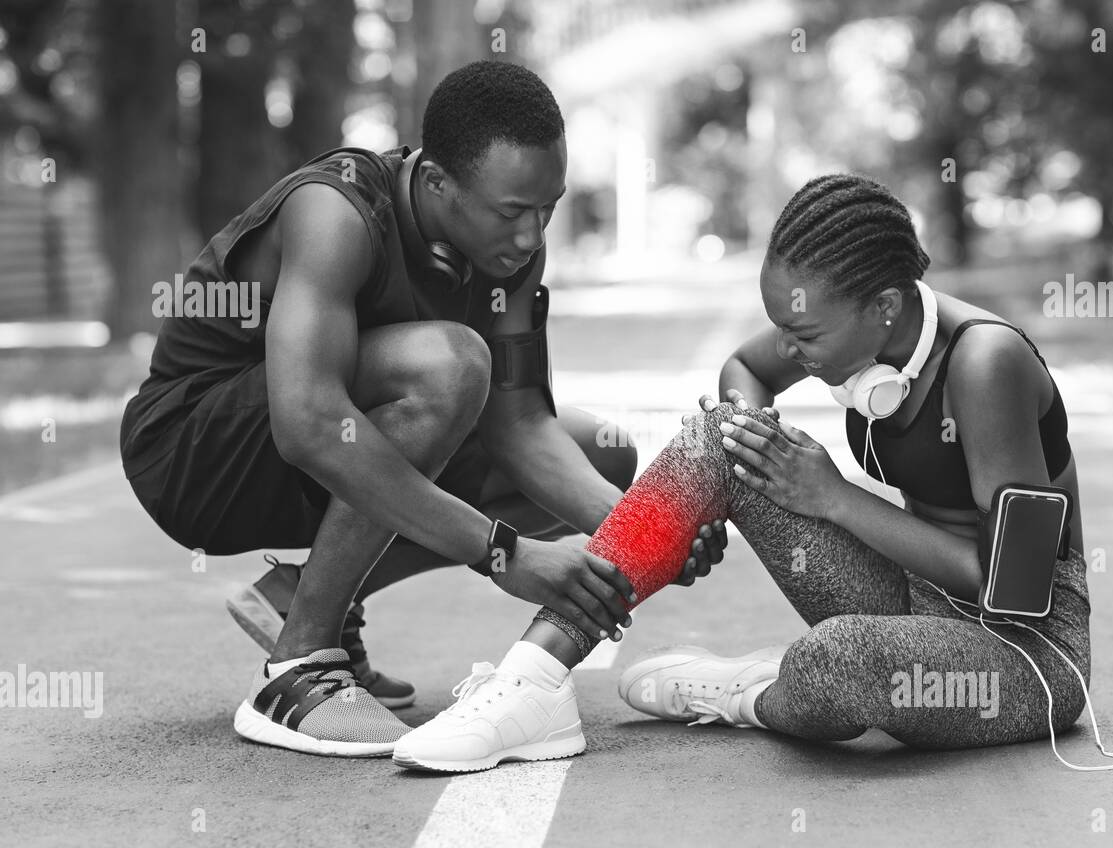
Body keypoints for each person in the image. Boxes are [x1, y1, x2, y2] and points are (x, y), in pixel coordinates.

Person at [118, 60, 725, 758]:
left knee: (603, 456)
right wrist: (505, 554)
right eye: (511, 212)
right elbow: (310, 424)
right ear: (436, 181)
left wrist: (644, 533)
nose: (532, 236)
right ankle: (299, 663)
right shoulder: (336, 214)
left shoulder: (510, 252)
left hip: (325, 444)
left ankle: (304, 596)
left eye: (547, 208)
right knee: (453, 365)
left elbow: (522, 425)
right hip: (197, 454)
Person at [392, 174, 1092, 772]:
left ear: (885, 307)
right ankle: (533, 680)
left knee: (837, 663)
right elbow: (747, 370)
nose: (792, 350)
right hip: (913, 596)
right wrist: (746, 436)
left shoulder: (985, 363)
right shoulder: (845, 326)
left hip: (1022, 656)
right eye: (784, 326)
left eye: (807, 338)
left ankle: (748, 693)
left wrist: (835, 499)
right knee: (716, 438)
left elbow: (1016, 588)